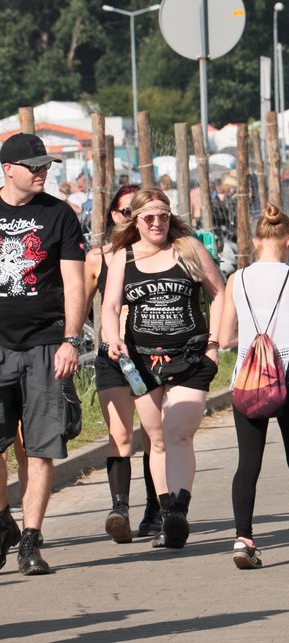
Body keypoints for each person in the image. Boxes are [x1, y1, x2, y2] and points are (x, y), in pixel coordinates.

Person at [101, 188, 225, 550]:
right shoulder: (122, 258)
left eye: (164, 217)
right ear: (135, 221)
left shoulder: (188, 249)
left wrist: (214, 345)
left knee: (179, 432)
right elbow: (109, 306)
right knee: (155, 439)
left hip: (190, 355)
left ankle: (179, 512)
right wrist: (112, 338)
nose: (158, 224)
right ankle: (168, 512)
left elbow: (219, 293)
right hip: (141, 360)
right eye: (149, 218)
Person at [218, 204, 289, 569]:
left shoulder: (237, 279)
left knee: (247, 463)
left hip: (248, 382)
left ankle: (243, 538)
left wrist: (252, 335)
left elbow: (224, 336)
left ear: (254, 240)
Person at [0, 133, 87, 575]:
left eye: (45, 166)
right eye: (33, 166)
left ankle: (30, 541)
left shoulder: (60, 215)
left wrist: (71, 340)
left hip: (47, 343)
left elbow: (75, 282)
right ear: (7, 168)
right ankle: (2, 521)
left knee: (40, 445)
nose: (41, 172)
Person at [84, 183, 163, 544]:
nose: (129, 217)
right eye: (123, 211)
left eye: (137, 211)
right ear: (113, 215)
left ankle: (156, 509)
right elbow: (81, 302)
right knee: (119, 435)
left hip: (149, 356)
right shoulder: (98, 257)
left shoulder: (157, 254)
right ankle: (120, 510)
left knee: (152, 436)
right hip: (112, 355)